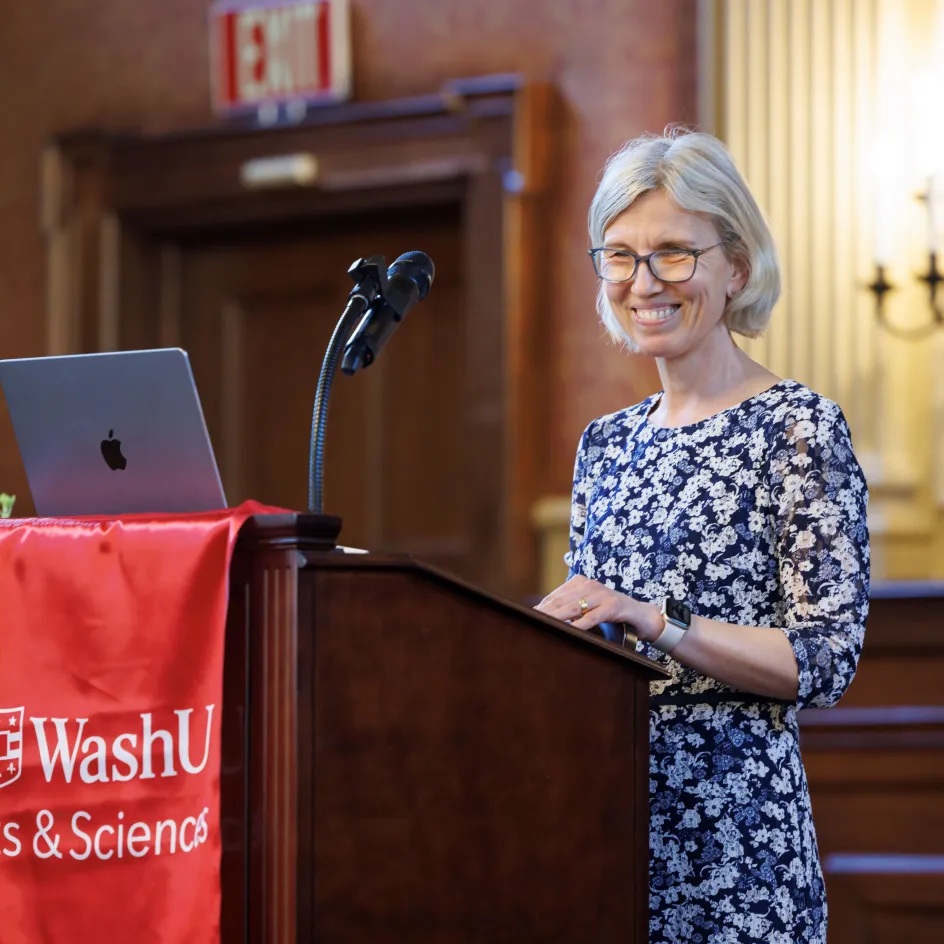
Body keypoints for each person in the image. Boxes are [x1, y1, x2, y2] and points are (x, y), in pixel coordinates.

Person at [535, 129, 869, 944]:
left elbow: (825, 660)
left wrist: (659, 621)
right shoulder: (605, 444)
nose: (643, 282)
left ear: (737, 268)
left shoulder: (798, 427)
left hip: (737, 840)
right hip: (607, 822)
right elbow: (593, 635)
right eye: (619, 256)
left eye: (675, 253)